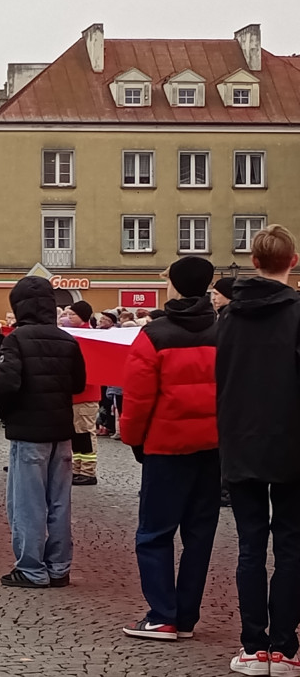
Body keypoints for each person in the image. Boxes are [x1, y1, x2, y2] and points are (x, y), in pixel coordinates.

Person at [116, 256, 220, 641]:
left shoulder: (155, 334)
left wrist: (134, 440)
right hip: (212, 446)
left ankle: (163, 614)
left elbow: (138, 398)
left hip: (165, 446)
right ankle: (187, 616)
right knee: (200, 534)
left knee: (155, 533)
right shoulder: (223, 331)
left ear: (173, 286)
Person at [217, 224, 300, 676]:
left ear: (254, 261)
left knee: (250, 545)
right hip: (291, 442)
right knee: (290, 545)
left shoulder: (226, 318)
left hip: (240, 440)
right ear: (293, 260)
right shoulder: (297, 313)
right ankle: (284, 649)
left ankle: (252, 646)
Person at [0, 277, 86, 589]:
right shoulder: (67, 339)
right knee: (59, 502)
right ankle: (59, 566)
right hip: (60, 430)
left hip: (28, 431)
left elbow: (5, 384)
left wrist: (6, 411)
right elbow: (77, 384)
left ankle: (31, 568)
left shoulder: (17, 339)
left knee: (28, 502)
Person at [66, 300, 100, 486]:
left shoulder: (88, 336)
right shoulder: (77, 335)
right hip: (76, 395)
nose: (69, 317)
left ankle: (88, 471)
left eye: (72, 315)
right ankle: (77, 468)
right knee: (77, 434)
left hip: (86, 394)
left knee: (86, 433)